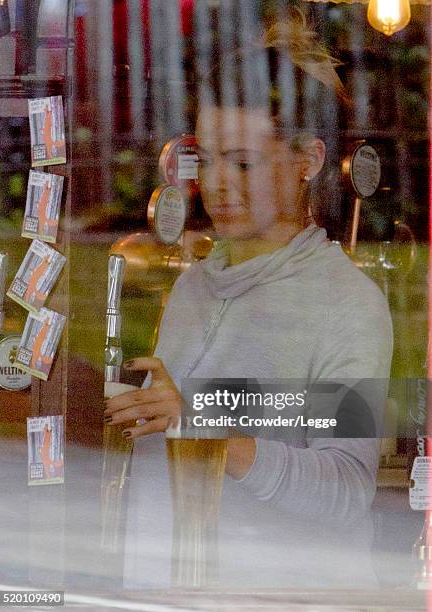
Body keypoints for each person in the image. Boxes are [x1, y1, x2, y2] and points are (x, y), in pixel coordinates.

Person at [104, 11, 393, 588]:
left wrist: (206, 427)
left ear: (307, 162)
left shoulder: (346, 303)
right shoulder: (193, 286)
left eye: (242, 162)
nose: (216, 183)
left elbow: (346, 489)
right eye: (206, 158)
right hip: (165, 588)